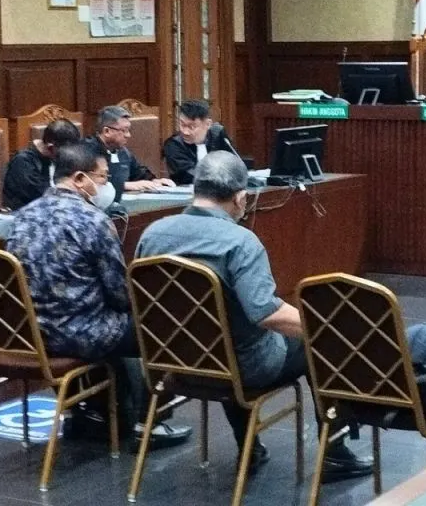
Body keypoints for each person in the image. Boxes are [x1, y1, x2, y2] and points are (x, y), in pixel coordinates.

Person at [135, 152, 373, 481]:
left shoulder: (152, 234)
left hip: (174, 366)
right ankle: (335, 454)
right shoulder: (240, 242)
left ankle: (249, 446)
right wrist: (326, 326)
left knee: (223, 333)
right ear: (240, 198)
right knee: (317, 344)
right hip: (241, 368)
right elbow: (267, 314)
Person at [5, 142, 191, 447]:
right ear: (79, 178)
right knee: (165, 327)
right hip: (84, 333)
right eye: (103, 177)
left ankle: (90, 413)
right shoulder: (93, 220)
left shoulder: (22, 218)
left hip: (32, 333)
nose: (106, 185)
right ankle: (148, 423)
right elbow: (120, 294)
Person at [86, 106, 174, 205]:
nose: (128, 135)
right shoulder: (87, 151)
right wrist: (125, 185)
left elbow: (138, 172)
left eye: (129, 130)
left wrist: (154, 181)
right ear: (107, 131)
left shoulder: (122, 151)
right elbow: (90, 182)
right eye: (124, 131)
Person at [2, 118, 81, 210]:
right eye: (65, 152)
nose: (69, 156)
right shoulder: (23, 162)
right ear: (50, 147)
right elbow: (42, 197)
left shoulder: (59, 158)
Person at [162, 99, 239, 185]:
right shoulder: (174, 144)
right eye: (182, 125)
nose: (185, 132)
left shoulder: (217, 134)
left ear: (208, 124)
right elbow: (189, 175)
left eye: (192, 127)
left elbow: (233, 163)